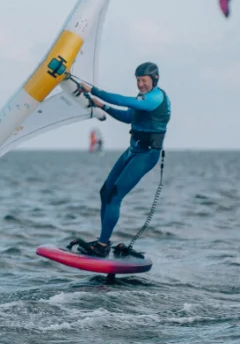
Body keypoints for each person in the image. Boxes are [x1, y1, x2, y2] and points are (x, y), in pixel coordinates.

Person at [73, 62, 171, 258]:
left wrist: (93, 90)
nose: (140, 84)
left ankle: (101, 246)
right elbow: (128, 117)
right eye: (137, 80)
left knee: (115, 195)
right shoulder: (142, 97)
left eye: (144, 80)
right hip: (133, 150)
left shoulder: (155, 98)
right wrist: (102, 106)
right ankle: (104, 241)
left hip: (147, 154)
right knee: (105, 192)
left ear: (155, 79)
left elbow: (125, 102)